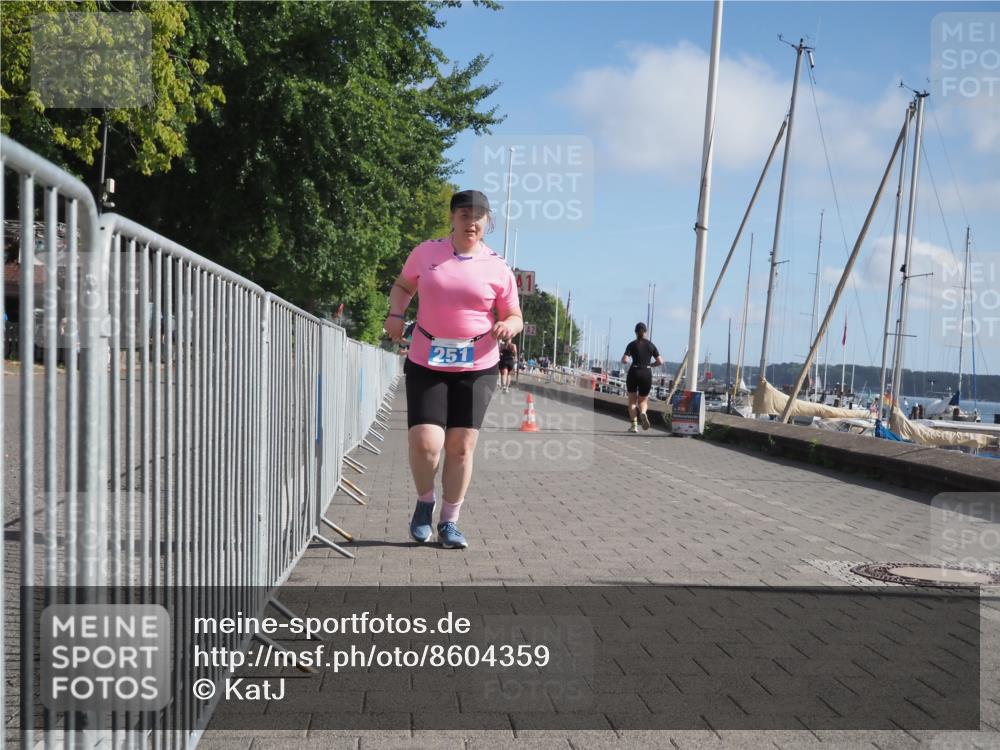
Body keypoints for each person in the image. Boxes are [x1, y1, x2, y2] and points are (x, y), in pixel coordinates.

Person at [384, 190, 522, 549]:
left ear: (488, 222)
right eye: (463, 214)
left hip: (478, 364)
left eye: (478, 216)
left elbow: (514, 314)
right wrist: (396, 313)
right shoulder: (427, 253)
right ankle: (424, 502)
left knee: (461, 447)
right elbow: (402, 286)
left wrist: (508, 325)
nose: (471, 222)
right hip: (428, 358)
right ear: (452, 218)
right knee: (426, 442)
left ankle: (449, 521)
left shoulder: (498, 266)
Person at [621, 322, 663, 432]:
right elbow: (660, 361)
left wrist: (624, 360)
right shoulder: (651, 345)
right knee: (643, 401)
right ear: (645, 332)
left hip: (634, 372)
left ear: (635, 332)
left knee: (632, 401)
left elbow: (625, 360)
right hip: (646, 372)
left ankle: (634, 426)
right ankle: (643, 412)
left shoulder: (631, 344)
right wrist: (651, 365)